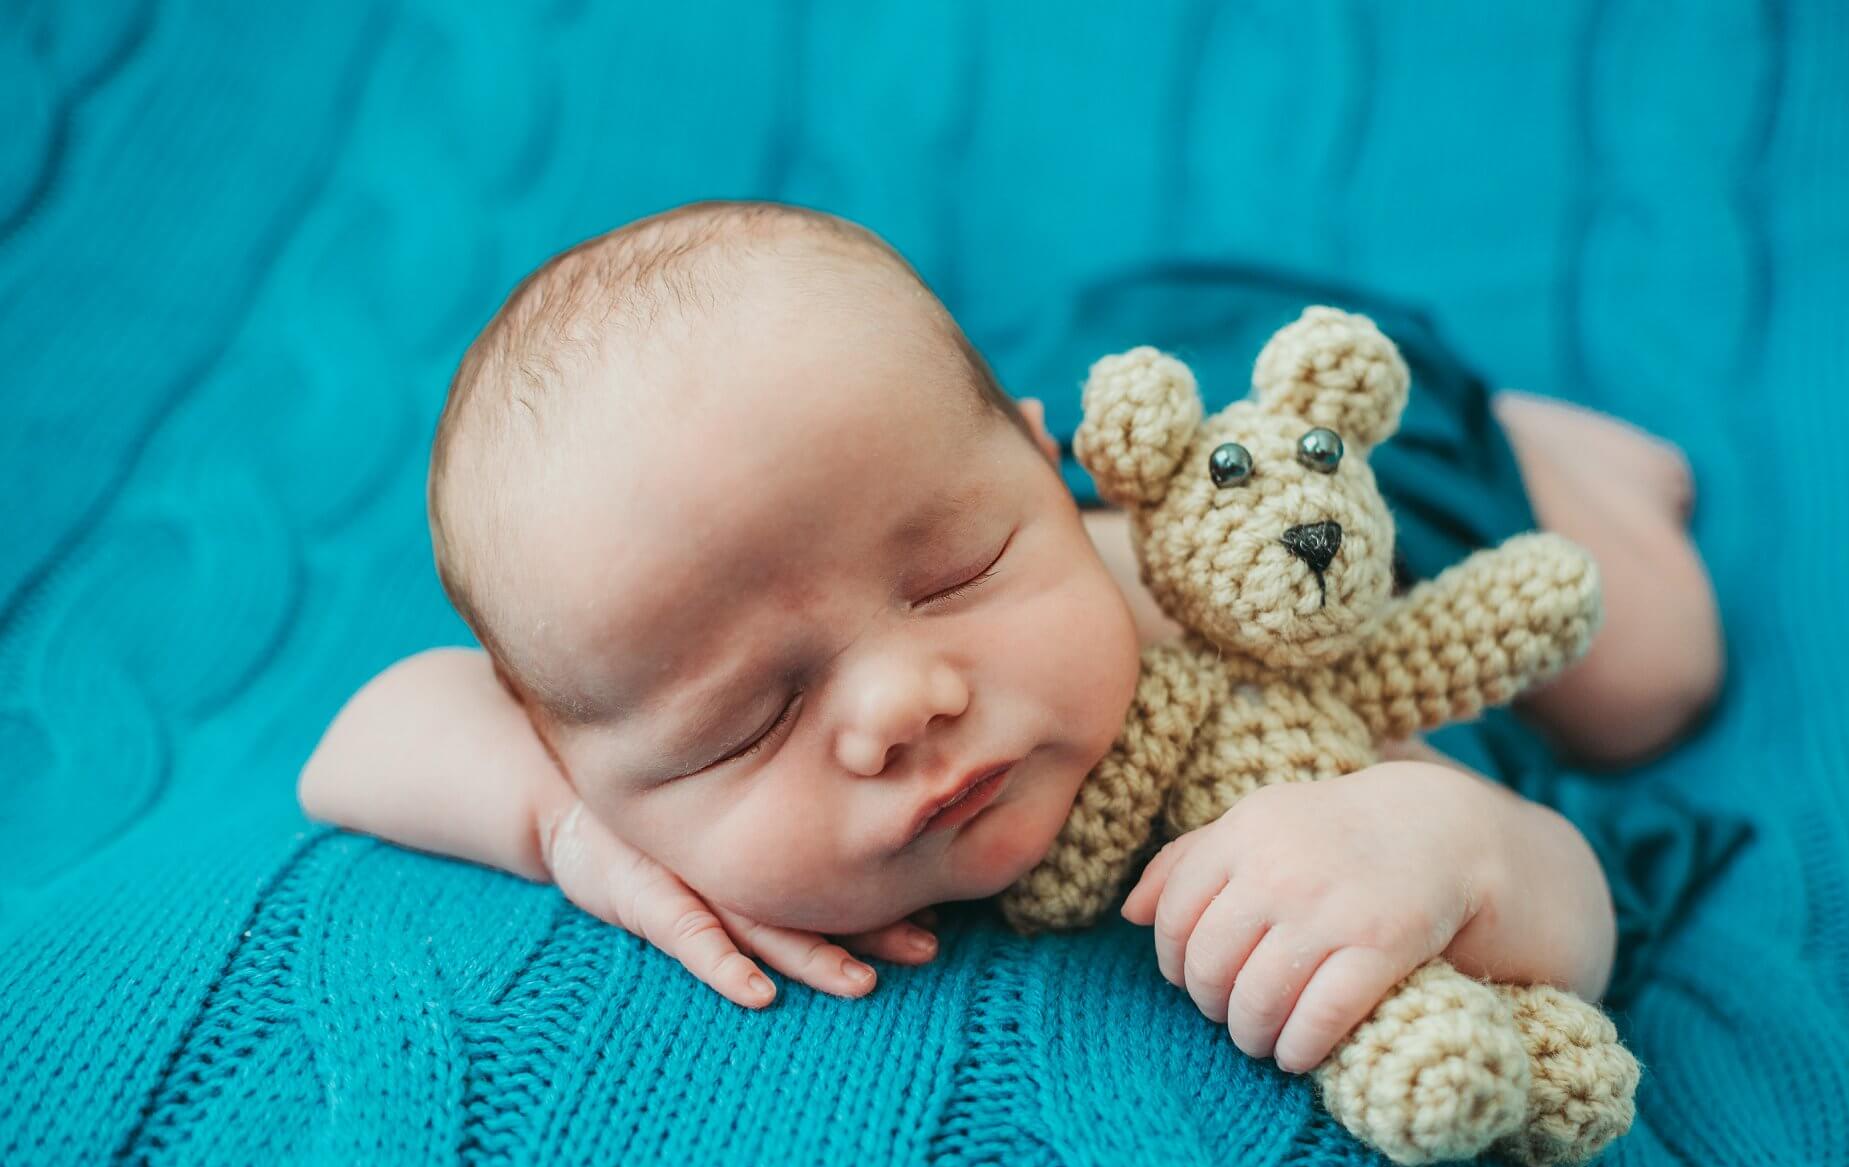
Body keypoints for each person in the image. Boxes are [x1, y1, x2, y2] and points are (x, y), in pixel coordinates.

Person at [297, 201, 1721, 1075]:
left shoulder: (1245, 672)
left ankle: (1539, 440)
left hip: (1349, 493)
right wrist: (564, 831)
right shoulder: (610, 729)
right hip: (971, 417)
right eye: (747, 720)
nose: (908, 703)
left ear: (1053, 478)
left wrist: (1430, 842)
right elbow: (357, 741)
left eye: (959, 573)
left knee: (1649, 679)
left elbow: (1571, 903)